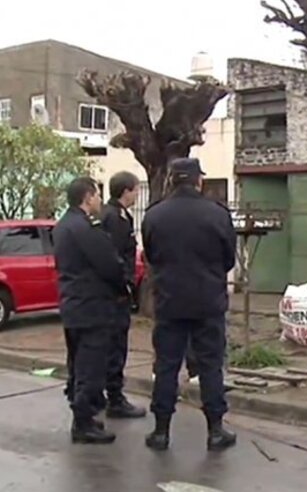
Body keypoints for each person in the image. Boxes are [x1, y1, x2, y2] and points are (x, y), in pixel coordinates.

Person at [142, 158, 237, 451]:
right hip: (208, 301)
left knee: (167, 366)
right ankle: (215, 429)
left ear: (171, 180)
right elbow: (228, 259)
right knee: (210, 366)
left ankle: (160, 431)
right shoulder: (217, 214)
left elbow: (152, 255)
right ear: (198, 181)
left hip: (170, 301)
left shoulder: (154, 215)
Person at [54, 177, 128, 444]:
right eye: (97, 195)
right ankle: (83, 423)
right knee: (90, 367)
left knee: (77, 364)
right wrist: (123, 287)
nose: (99, 200)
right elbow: (109, 265)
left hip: (73, 305)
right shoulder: (85, 228)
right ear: (87, 197)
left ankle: (83, 416)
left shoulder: (63, 225)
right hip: (92, 308)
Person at [98, 171, 146, 419]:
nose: (138, 194)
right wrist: (124, 286)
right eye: (136, 190)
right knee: (116, 346)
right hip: (115, 295)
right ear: (126, 191)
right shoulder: (115, 218)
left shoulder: (112, 215)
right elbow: (114, 258)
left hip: (110, 293)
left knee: (111, 346)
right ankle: (114, 399)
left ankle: (106, 395)